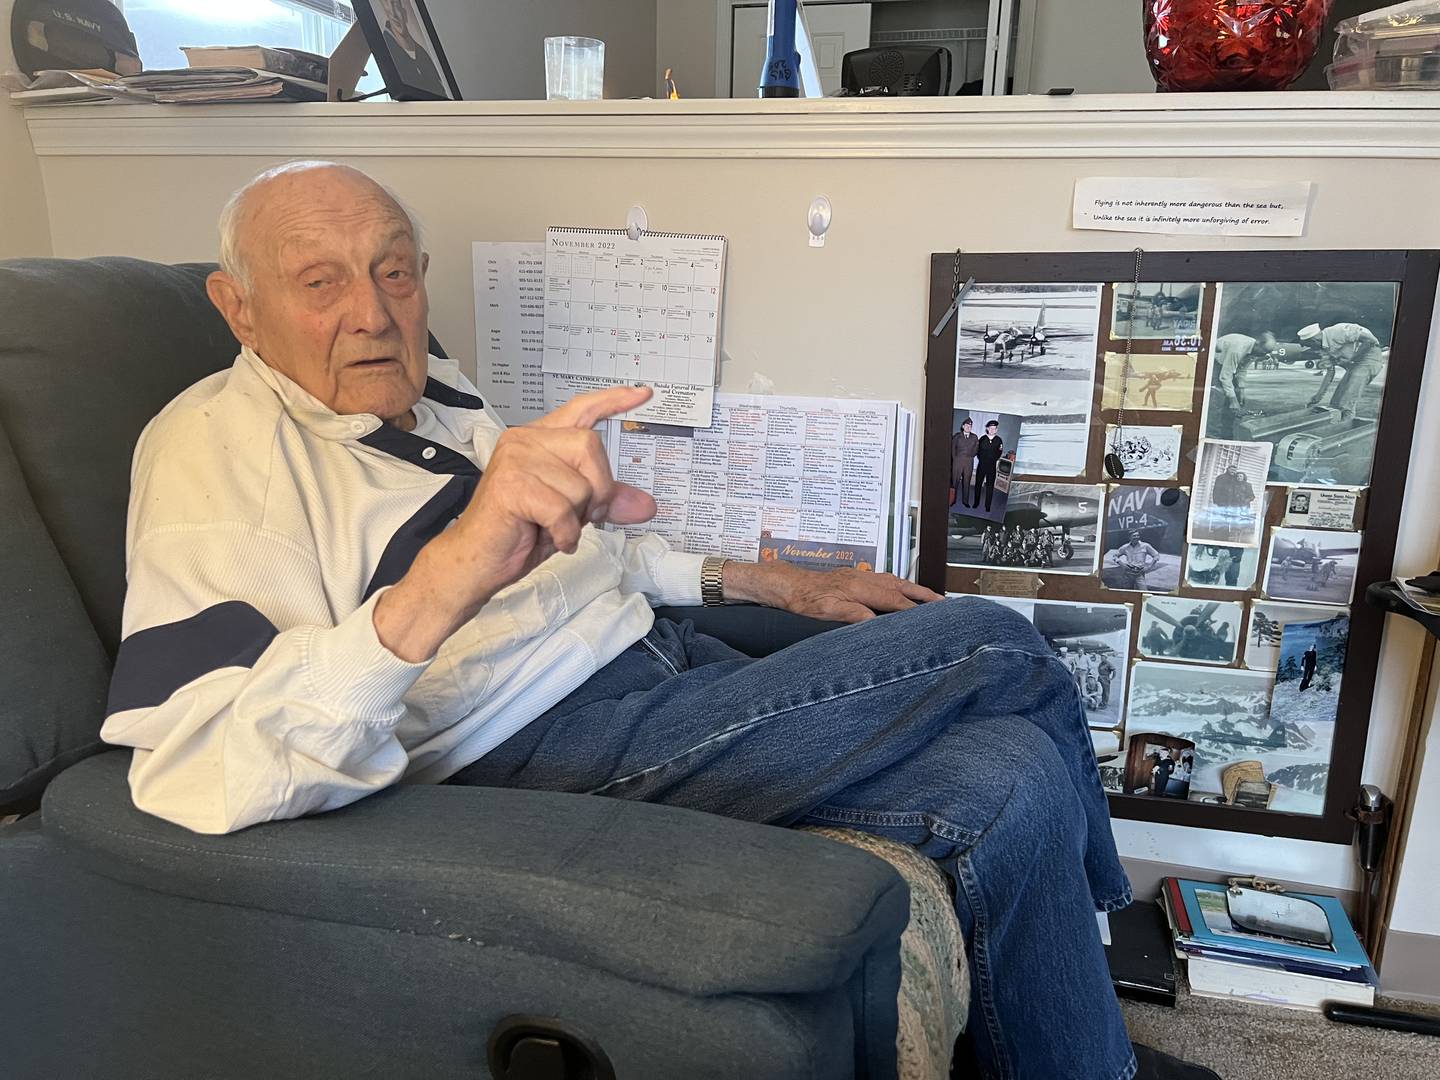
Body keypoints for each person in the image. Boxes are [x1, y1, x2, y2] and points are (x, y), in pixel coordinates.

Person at [96, 163, 1213, 1080]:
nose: (372, 314)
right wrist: (444, 578)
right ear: (237, 306)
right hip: (536, 748)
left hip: (658, 664)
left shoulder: (428, 388)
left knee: (1011, 774)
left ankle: (1087, 1052)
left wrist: (764, 582)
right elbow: (195, 765)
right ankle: (1112, 941)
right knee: (994, 639)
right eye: (321, 282)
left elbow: (591, 553)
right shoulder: (216, 455)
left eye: (394, 271)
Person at [1298, 321, 1386, 421]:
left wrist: (1351, 358)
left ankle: (1346, 428)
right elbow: (1330, 372)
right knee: (1335, 403)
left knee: (1346, 402)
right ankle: (1338, 425)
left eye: (1309, 345)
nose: (1311, 348)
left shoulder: (1337, 331)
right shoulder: (1325, 348)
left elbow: (1370, 340)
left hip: (1370, 357)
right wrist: (1317, 397)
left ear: (1313, 340)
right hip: (1355, 363)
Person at [378, 0, 448, 97]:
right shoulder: (388, 50)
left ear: (404, 13)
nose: (394, 15)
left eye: (396, 6)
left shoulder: (423, 54)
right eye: (388, 10)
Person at [1209, 332, 1261, 438]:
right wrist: (1233, 401)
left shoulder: (1258, 351)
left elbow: (1242, 369)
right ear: (1258, 344)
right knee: (1217, 398)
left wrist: (1241, 390)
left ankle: (1227, 433)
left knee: (1235, 397)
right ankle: (1213, 435)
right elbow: (1225, 376)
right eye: (1264, 351)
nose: (1265, 354)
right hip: (1214, 362)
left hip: (1226, 365)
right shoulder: (1237, 349)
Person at [974, 419, 1004, 513]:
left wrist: (992, 460)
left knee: (990, 487)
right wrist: (983, 460)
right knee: (978, 485)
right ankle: (976, 502)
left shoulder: (999, 440)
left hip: (991, 467)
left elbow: (999, 453)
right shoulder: (982, 439)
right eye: (990, 428)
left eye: (994, 428)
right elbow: (977, 452)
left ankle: (988, 506)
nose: (992, 430)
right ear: (987, 428)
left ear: (996, 429)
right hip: (982, 466)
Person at [951, 416, 979, 509]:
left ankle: (965, 501)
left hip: (969, 462)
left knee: (966, 482)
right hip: (957, 462)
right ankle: (952, 500)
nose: (968, 427)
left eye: (970, 426)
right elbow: (952, 449)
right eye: (966, 426)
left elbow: (976, 450)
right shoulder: (957, 436)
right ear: (963, 426)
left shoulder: (974, 437)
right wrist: (955, 459)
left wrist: (970, 456)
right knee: (954, 482)